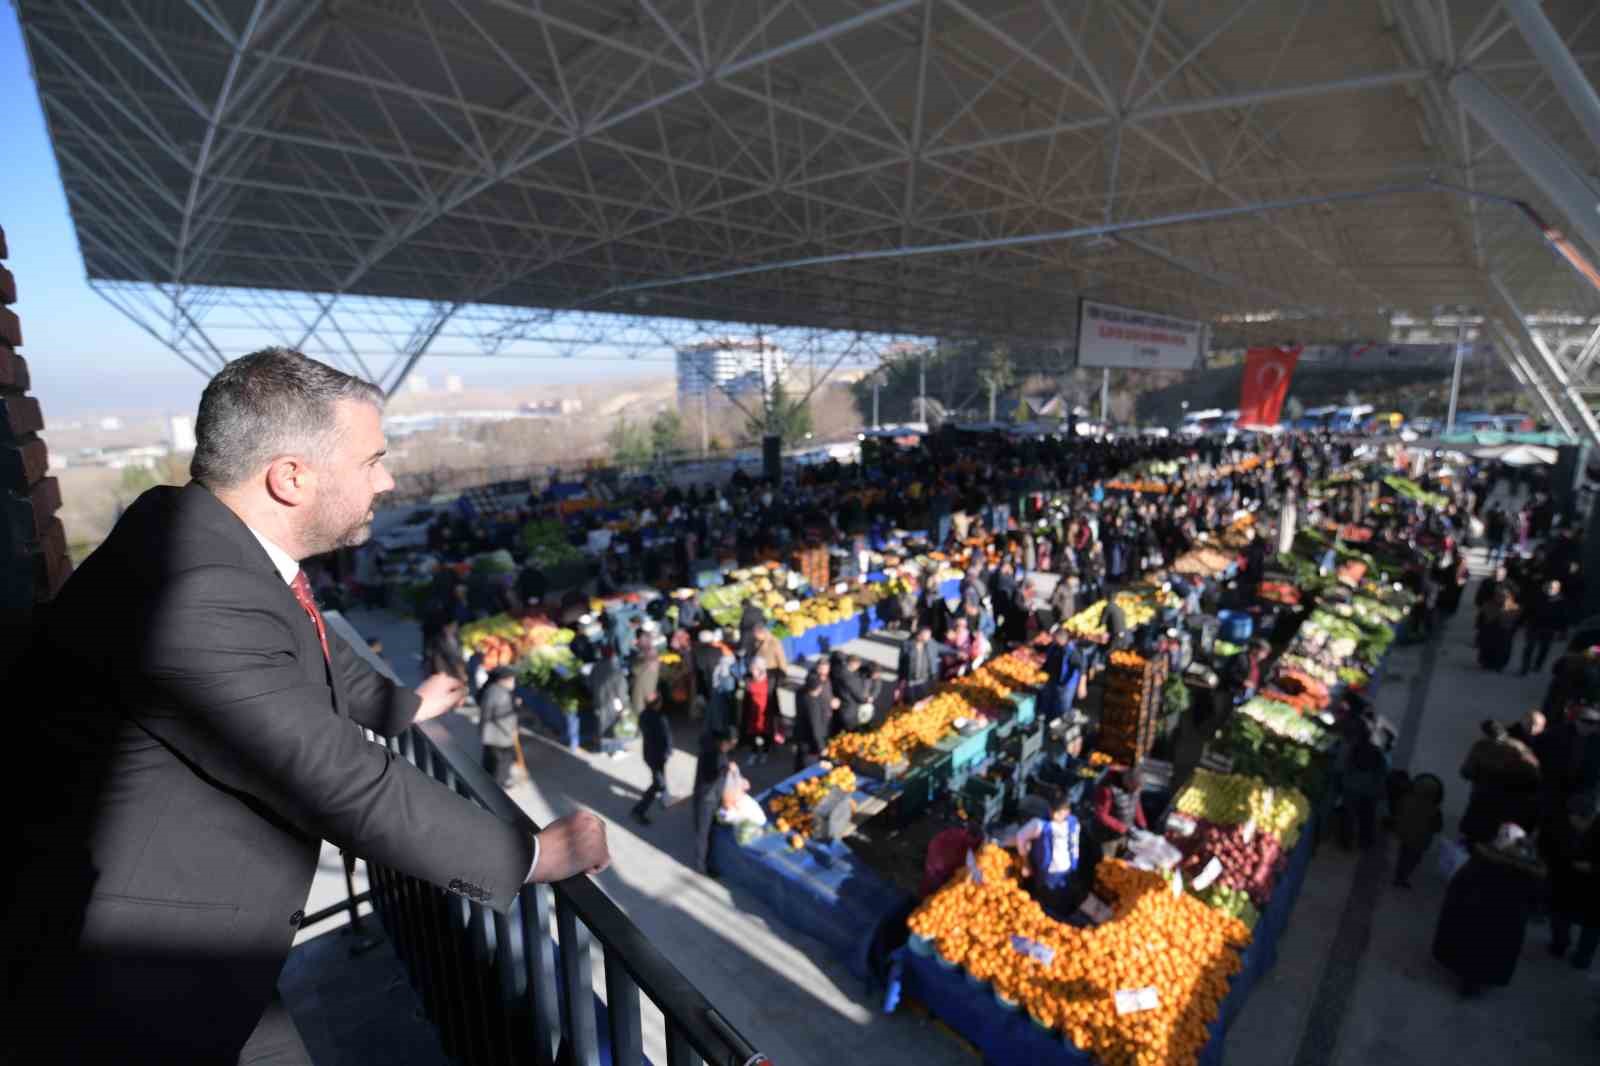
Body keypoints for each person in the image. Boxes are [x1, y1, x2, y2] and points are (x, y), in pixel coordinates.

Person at [3, 349, 609, 1064]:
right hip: (128, 985)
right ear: (291, 477)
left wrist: (401, 705)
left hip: (205, 955)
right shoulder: (196, 594)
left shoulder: (201, 532)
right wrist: (530, 853)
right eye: (372, 460)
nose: (387, 479)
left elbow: (307, 646)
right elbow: (342, 780)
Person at [1432, 823, 1547, 997]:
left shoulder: (1484, 859)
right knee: (1492, 952)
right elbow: (1536, 897)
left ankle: (1467, 978)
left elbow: (1461, 883)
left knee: (1472, 945)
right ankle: (1475, 981)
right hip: (1506, 921)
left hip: (1477, 911)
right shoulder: (1527, 870)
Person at [1459, 720, 1541, 844]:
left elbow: (1466, 772)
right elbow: (1535, 776)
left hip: (1481, 805)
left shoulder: (1482, 746)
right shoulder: (1520, 748)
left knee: (1472, 844)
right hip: (1506, 812)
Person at [1547, 794, 1600, 970]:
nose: (1574, 823)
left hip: (1593, 884)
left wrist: (1592, 867)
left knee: (1592, 923)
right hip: (1567, 877)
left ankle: (1582, 957)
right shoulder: (1565, 824)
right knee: (1560, 911)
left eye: (1577, 820)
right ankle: (1559, 945)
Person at [1014, 790, 1082, 917]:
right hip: (1047, 872)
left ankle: (1061, 916)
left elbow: (1075, 844)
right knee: (1046, 900)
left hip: (1067, 871)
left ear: (1067, 812)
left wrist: (1074, 866)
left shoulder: (1074, 823)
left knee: (1063, 898)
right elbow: (1020, 837)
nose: (1055, 816)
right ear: (1049, 809)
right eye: (1053, 812)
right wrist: (1026, 862)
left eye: (1060, 813)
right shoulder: (1039, 825)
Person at [692, 728, 739, 876]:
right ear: (725, 741)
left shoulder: (717, 750)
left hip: (712, 797)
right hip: (706, 799)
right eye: (732, 744)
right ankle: (702, 866)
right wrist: (725, 769)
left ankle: (708, 861)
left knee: (710, 831)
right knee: (703, 833)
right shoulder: (712, 754)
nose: (733, 747)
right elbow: (710, 776)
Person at [1392, 772, 1444, 888]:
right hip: (1420, 840)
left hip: (1404, 834)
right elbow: (1437, 827)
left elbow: (1398, 812)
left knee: (1403, 855)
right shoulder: (1434, 810)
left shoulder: (1406, 799)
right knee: (1413, 859)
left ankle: (1398, 875)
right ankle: (1402, 878)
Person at [631, 692, 674, 826]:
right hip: (658, 756)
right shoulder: (661, 718)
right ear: (657, 704)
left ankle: (665, 797)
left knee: (660, 776)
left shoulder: (643, 715)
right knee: (657, 783)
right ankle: (638, 811)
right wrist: (668, 751)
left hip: (649, 755)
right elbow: (667, 738)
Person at [478, 666, 521, 789]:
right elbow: (503, 718)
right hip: (500, 737)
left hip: (489, 735)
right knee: (501, 764)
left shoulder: (491, 689)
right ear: (502, 680)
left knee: (489, 762)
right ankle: (499, 786)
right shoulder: (501, 694)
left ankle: (486, 783)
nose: (514, 683)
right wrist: (513, 729)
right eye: (512, 680)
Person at [1093, 766, 1148, 858]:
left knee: (1120, 863)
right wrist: (1123, 828)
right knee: (1106, 864)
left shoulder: (1135, 788)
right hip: (1107, 836)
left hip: (1125, 833)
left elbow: (1136, 804)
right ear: (1127, 781)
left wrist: (1142, 824)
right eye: (1134, 788)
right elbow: (1101, 815)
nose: (1135, 791)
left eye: (1138, 789)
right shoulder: (1107, 789)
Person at [794, 660, 839, 772]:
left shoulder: (801, 693)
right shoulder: (813, 704)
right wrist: (821, 747)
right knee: (808, 766)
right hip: (810, 741)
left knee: (800, 760)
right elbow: (816, 727)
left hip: (801, 734)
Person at [1519, 578, 1566, 677]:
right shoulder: (1537, 597)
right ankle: (1524, 667)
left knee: (1544, 648)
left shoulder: (1561, 601)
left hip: (1549, 628)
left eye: (1553, 588)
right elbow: (1528, 610)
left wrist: (1562, 631)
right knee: (1529, 647)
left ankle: (1538, 665)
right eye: (1549, 587)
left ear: (1558, 589)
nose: (1550, 589)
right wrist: (1521, 622)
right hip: (1534, 625)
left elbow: (1563, 617)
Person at [741, 657, 774, 762]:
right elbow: (745, 698)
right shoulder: (748, 680)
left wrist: (776, 715)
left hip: (765, 714)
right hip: (752, 714)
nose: (752, 671)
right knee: (752, 735)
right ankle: (753, 753)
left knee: (766, 734)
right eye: (752, 668)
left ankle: (765, 752)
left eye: (754, 669)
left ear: (761, 670)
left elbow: (774, 699)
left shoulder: (770, 681)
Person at [423, 616, 470, 685]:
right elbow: (438, 662)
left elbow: (460, 657)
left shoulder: (457, 639)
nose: (456, 628)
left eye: (456, 626)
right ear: (445, 628)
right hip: (445, 676)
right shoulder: (438, 642)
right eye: (453, 626)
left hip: (456, 676)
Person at [898, 625, 939, 703]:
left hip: (924, 679)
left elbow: (943, 649)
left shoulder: (930, 644)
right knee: (911, 701)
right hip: (911, 680)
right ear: (920, 635)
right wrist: (901, 680)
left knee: (923, 700)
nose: (929, 637)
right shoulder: (907, 645)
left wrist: (957, 652)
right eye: (927, 635)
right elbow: (901, 664)